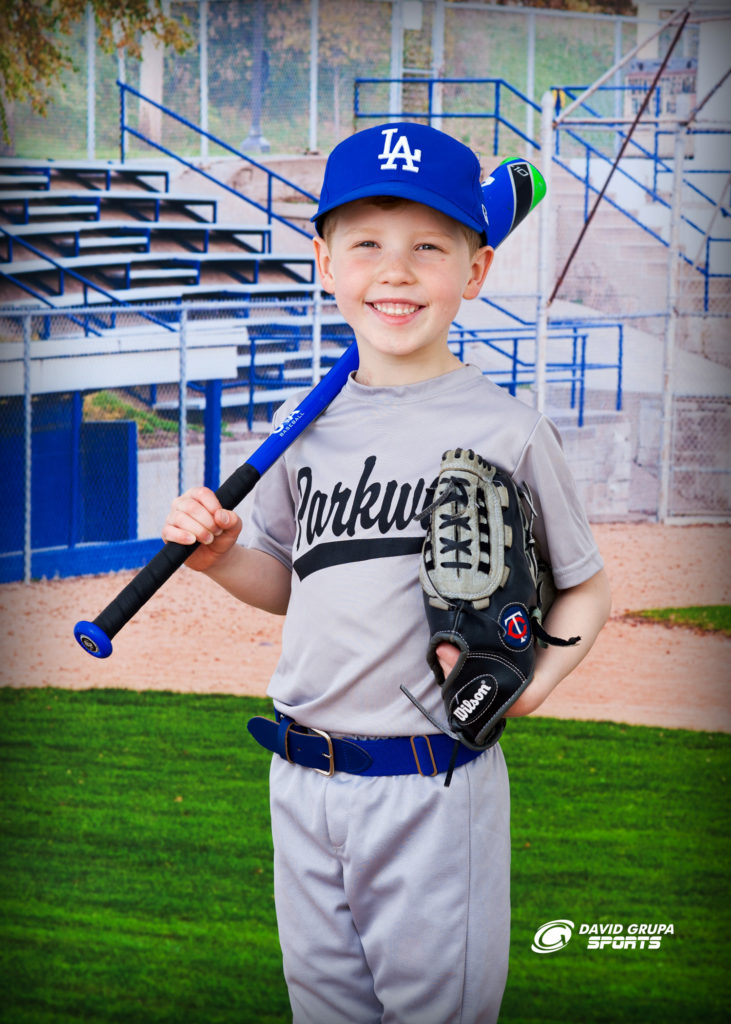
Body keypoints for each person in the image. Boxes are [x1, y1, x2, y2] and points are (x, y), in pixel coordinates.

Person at [163, 122, 612, 1024]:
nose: (396, 272)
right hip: (300, 778)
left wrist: (533, 683)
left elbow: (587, 584)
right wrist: (218, 561)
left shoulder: (506, 428)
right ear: (326, 263)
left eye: (427, 247)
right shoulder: (306, 427)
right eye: (366, 244)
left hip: (431, 782)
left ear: (474, 272)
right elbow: (293, 581)